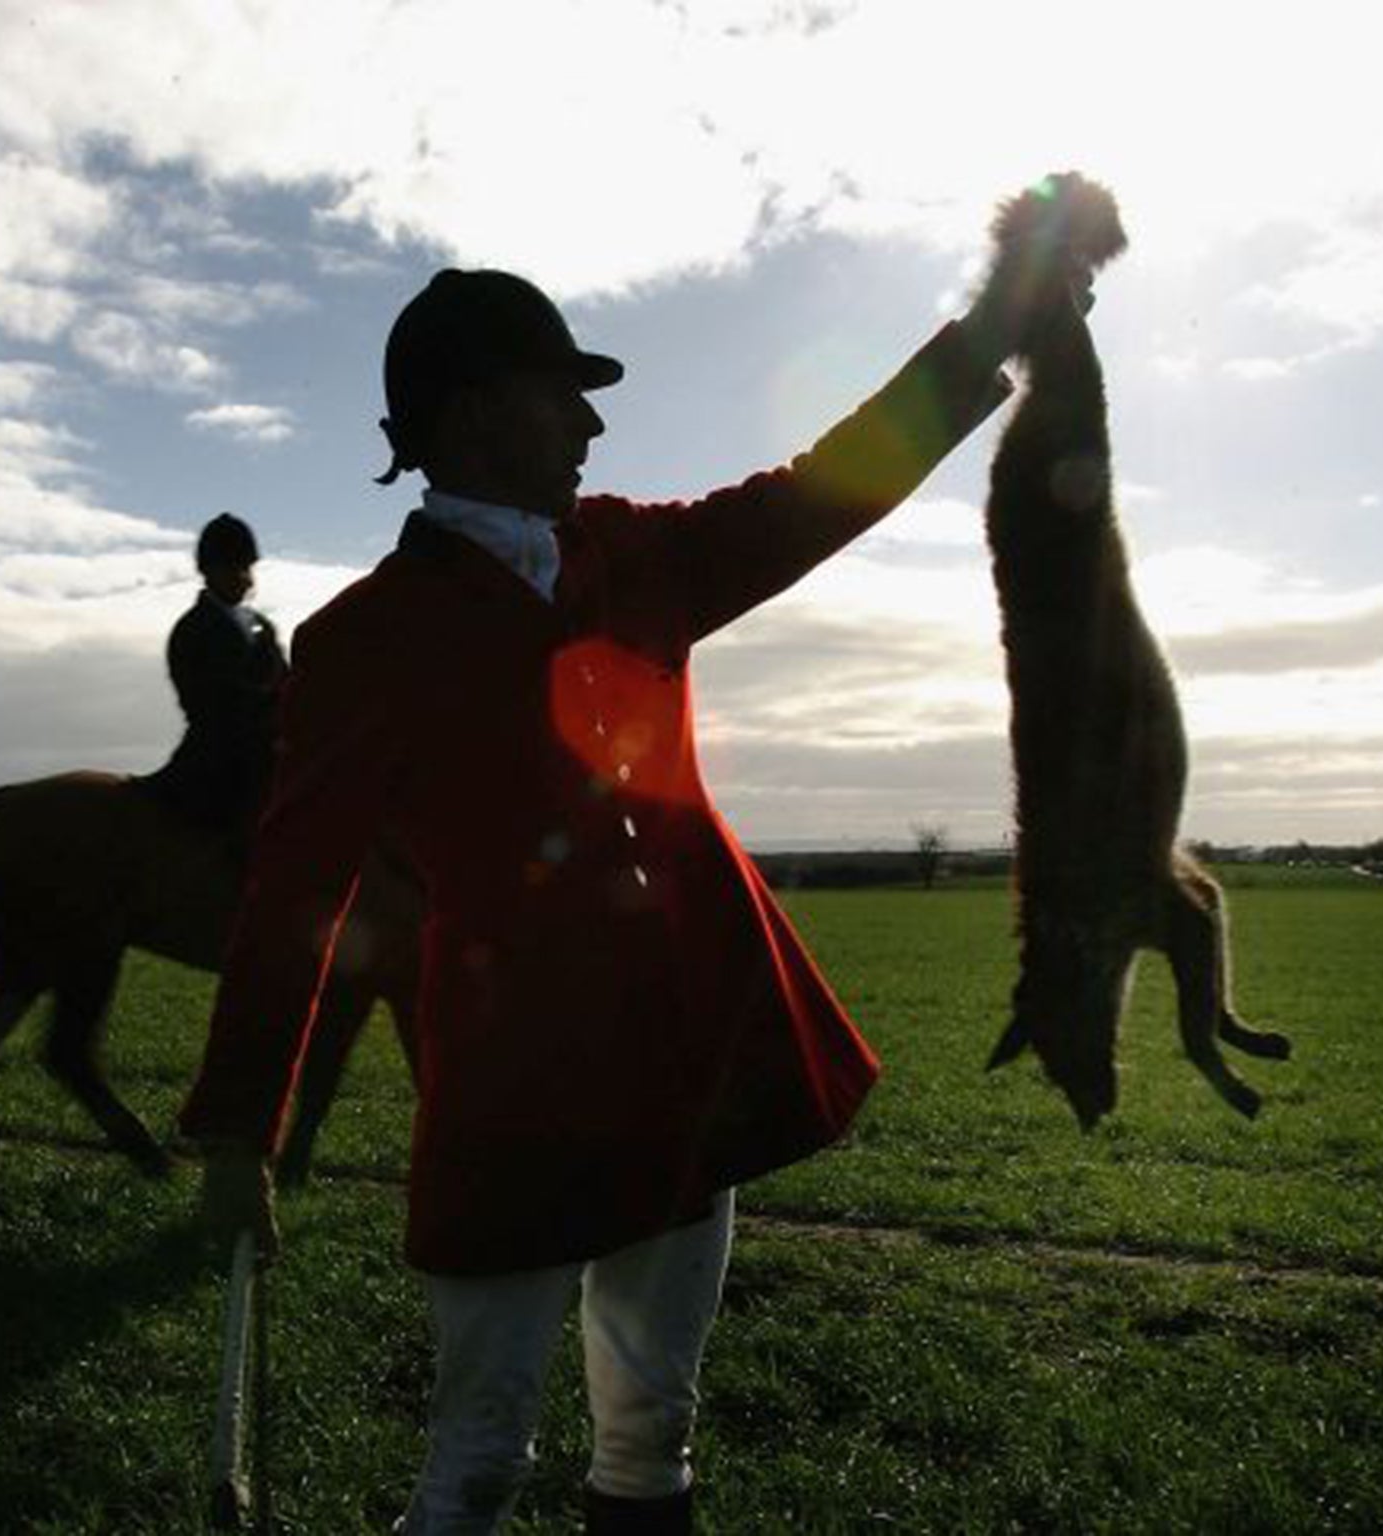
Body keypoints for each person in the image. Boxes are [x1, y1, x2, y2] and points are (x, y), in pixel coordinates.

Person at [182, 238, 1077, 1531]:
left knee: (651, 1431)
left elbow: (827, 490)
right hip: (514, 1088)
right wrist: (238, 1125)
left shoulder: (639, 554)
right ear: (478, 414)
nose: (596, 420)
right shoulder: (357, 643)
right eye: (565, 391)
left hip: (685, 1051)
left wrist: (993, 324)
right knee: (479, 1460)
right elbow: (293, 890)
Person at [142, 513, 288, 848]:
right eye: (236, 569)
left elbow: (286, 679)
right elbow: (206, 700)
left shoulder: (261, 626)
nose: (247, 580)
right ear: (210, 571)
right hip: (218, 752)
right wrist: (267, 712)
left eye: (248, 568)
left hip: (269, 744)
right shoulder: (192, 629)